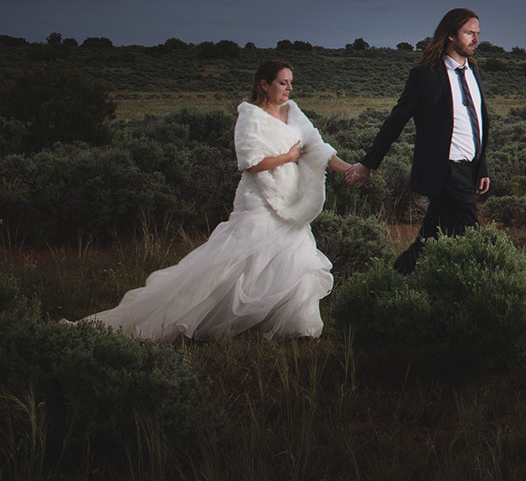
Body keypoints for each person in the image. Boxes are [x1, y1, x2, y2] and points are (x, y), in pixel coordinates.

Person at [79, 61, 366, 340]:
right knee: (240, 260)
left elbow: (318, 149)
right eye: (282, 82)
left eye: (291, 82)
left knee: (294, 258)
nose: (289, 88)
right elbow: (250, 162)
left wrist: (349, 169)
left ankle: (296, 328)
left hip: (292, 200)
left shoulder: (293, 112)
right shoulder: (250, 117)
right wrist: (289, 157)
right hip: (258, 201)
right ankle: (204, 318)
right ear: (263, 85)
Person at [360, 7, 490, 274]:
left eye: (477, 33)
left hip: (469, 169)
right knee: (472, 238)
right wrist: (368, 163)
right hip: (446, 170)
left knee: (429, 238)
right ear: (451, 35)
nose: (476, 39)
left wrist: (482, 166)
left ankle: (393, 282)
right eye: (469, 33)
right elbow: (396, 120)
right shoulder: (426, 74)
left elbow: (475, 123)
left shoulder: (472, 72)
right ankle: (480, 295)